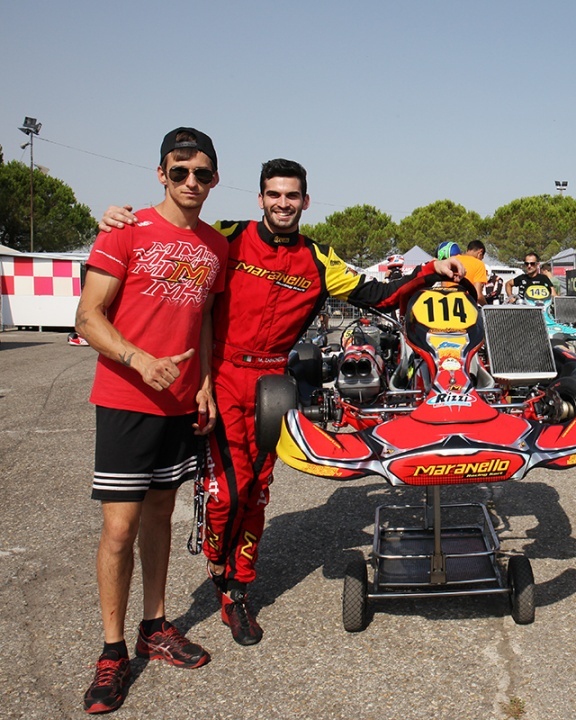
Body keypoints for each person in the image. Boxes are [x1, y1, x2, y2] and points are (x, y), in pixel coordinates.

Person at [100, 159, 464, 648]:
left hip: (275, 382)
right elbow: (174, 233)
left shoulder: (318, 258)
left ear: (305, 202)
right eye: (274, 194)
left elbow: (376, 292)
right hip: (223, 375)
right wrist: (119, 219)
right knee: (229, 492)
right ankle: (218, 566)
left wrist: (429, 271)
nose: (283, 203)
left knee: (257, 491)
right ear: (260, 199)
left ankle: (237, 591)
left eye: (292, 196)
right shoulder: (225, 236)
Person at [78, 127, 228, 714]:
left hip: (181, 404)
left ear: (215, 179)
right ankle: (113, 652)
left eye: (204, 174)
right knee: (119, 529)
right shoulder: (126, 230)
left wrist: (207, 384)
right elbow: (88, 316)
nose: (192, 182)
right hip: (126, 399)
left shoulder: (216, 246)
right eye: (180, 171)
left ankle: (155, 627)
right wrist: (140, 360)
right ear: (161, 173)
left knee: (162, 516)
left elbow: (206, 322)